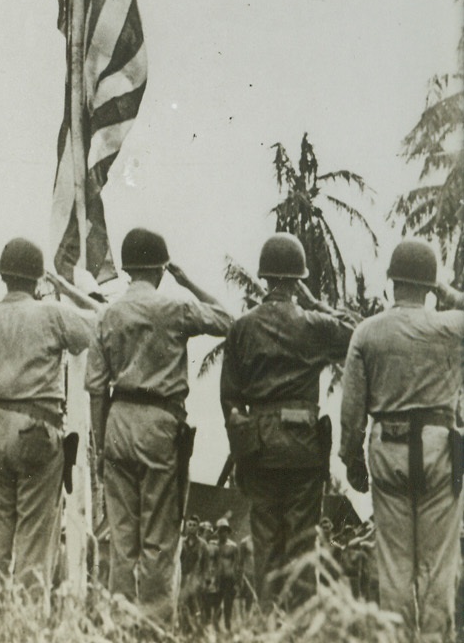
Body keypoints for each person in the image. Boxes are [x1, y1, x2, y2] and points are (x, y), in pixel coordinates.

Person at [86, 228, 232, 621]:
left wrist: (101, 448)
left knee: (121, 537)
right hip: (161, 423)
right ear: (162, 268)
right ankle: (152, 625)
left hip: (118, 419)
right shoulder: (175, 307)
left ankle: (118, 623)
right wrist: (188, 282)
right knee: (159, 538)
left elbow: (96, 389)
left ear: (128, 267)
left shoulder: (108, 315)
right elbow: (227, 321)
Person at [220, 233, 356, 608]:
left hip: (258, 446)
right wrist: (317, 303)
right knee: (301, 543)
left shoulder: (242, 328)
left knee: (264, 543)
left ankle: (267, 622)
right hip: (302, 448)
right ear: (299, 280)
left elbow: (229, 399)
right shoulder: (314, 325)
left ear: (264, 278)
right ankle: (301, 627)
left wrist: (245, 443)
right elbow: (357, 332)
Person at [340, 240, 464, 642]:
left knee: (393, 567)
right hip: (439, 447)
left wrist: (351, 459)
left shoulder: (367, 332)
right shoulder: (450, 327)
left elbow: (352, 409)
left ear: (392, 281)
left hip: (387, 446)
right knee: (438, 566)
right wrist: (447, 292)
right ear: (428, 286)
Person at [0, 237, 99, 599]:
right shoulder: (51, 314)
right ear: (38, 279)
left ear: (4, 276)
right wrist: (66, 288)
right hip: (37, 427)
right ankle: (24, 630)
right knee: (35, 545)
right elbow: (103, 323)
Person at [178, 516, 205, 631]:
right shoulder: (181, 542)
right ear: (186, 526)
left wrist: (202, 579)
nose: (192, 528)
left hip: (195, 578)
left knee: (194, 603)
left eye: (194, 525)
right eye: (190, 525)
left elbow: (205, 563)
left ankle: (196, 627)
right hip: (182, 576)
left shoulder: (202, 544)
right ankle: (183, 627)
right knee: (181, 602)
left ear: (198, 527)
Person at [214, 517, 241, 630]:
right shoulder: (213, 545)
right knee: (215, 603)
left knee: (228, 604)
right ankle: (215, 625)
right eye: (220, 531)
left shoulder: (233, 546)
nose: (222, 533)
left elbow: (237, 565)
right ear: (218, 532)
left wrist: (238, 581)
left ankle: (227, 625)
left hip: (229, 579)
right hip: (216, 579)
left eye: (225, 530)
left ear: (228, 532)